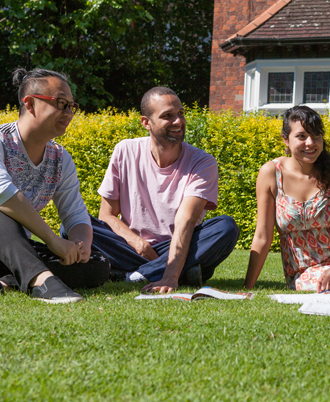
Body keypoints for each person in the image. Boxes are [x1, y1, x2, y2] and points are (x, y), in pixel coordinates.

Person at [0, 68, 110, 304]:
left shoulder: (60, 158)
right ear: (30, 103)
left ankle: (2, 283)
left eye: (72, 106)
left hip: (8, 252)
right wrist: (53, 240)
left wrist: (81, 247)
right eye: (61, 103)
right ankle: (42, 283)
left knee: (99, 264)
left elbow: (75, 213)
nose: (69, 113)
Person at [90, 87, 239, 294]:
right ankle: (184, 269)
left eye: (180, 114)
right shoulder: (125, 150)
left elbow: (186, 220)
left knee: (225, 228)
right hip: (130, 247)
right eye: (168, 116)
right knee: (75, 226)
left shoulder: (203, 162)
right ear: (146, 123)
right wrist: (138, 243)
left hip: (179, 242)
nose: (178, 121)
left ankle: (135, 275)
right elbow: (106, 215)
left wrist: (170, 276)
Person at [244, 106, 330, 292]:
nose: (310, 143)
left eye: (316, 135)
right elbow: (263, 236)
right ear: (285, 139)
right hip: (307, 268)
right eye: (302, 136)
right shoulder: (271, 173)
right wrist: (247, 286)